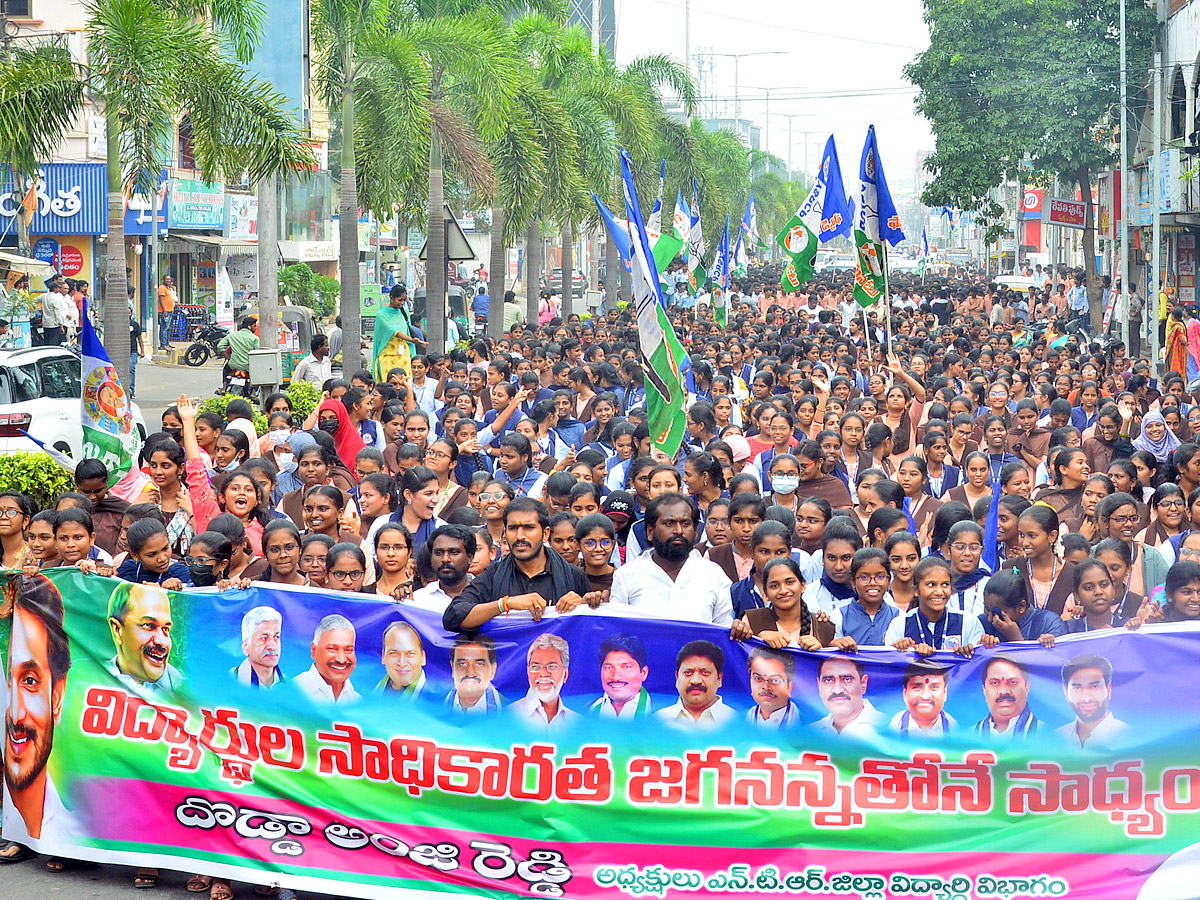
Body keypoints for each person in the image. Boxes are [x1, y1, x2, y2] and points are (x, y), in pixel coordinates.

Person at [442, 497, 598, 631]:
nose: (520, 536)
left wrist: (584, 605)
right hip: (507, 663)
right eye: (513, 528)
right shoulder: (493, 575)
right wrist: (505, 604)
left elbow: (587, 630)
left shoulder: (573, 576)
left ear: (545, 534)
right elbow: (453, 617)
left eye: (529, 528)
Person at [3, 574, 76, 848]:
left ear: (57, 696)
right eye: (11, 678)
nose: (16, 715)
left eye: (30, 681)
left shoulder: (83, 831)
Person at [609, 493, 733, 625]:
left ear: (696, 532)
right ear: (650, 532)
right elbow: (617, 633)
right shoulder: (627, 576)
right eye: (669, 523)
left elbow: (724, 632)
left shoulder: (713, 575)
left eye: (685, 523)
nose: (678, 531)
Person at [106, 582, 182, 696]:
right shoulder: (88, 675)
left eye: (166, 629)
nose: (162, 642)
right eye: (148, 625)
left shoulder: (179, 684)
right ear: (117, 629)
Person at [653, 640, 735, 731]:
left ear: (719, 678)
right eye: (688, 673)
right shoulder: (657, 721)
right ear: (677, 678)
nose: (695, 681)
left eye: (705, 673)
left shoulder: (737, 722)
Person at [1056, 653, 1128, 750]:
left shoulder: (1131, 736)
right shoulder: (1055, 738)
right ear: (1066, 693)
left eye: (1094, 687)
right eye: (1077, 688)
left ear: (1109, 690)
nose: (1087, 698)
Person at [510, 633, 575, 732]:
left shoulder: (579, 724)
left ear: (565, 674)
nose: (544, 673)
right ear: (528, 672)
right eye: (536, 667)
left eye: (552, 666)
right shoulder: (505, 716)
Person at [293, 614, 359, 705]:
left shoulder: (357, 701)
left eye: (348, 650)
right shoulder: (292, 692)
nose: (341, 659)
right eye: (332, 649)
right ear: (314, 650)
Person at [811, 655, 884, 737]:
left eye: (847, 679)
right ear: (819, 686)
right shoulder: (809, 733)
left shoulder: (890, 729)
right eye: (828, 680)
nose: (837, 690)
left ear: (863, 684)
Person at [411, 524, 475, 613]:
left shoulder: (487, 597)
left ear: (469, 558)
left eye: (453, 552)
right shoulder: (418, 600)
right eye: (439, 553)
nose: (445, 559)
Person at [975, 654, 1038, 739]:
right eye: (995, 683)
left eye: (1012, 682)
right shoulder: (968, 734)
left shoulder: (1048, 734)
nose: (1004, 691)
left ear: (1027, 687)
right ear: (984, 689)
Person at [589, 634, 652, 719]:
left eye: (626, 667)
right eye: (609, 667)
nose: (615, 677)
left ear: (643, 673)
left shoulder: (659, 714)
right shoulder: (590, 710)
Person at [372, 284, 426, 381]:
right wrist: (413, 340)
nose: (402, 303)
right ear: (391, 298)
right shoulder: (382, 315)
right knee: (390, 384)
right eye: (400, 300)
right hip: (388, 356)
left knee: (406, 382)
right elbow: (395, 331)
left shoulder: (404, 310)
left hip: (404, 355)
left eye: (404, 300)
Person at [890, 660, 956, 737]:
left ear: (945, 692)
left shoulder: (958, 730)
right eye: (917, 687)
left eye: (934, 687)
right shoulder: (887, 730)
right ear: (905, 693)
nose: (925, 696)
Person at [445, 634, 503, 715]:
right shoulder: (431, 708)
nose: (470, 673)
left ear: (493, 670)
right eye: (462, 664)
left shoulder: (511, 710)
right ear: (453, 668)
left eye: (479, 664)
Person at [745, 647, 800, 730]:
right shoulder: (737, 721)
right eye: (758, 678)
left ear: (789, 686)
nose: (766, 687)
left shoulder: (808, 725)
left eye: (775, 680)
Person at [233, 607, 284, 688]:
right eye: (264, 638)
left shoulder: (292, 685)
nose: (272, 646)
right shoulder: (226, 683)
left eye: (276, 637)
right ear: (246, 647)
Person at [377, 621, 427, 697]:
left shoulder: (439, 702)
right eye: (394, 653)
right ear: (383, 656)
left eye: (410, 654)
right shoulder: (367, 694)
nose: (402, 663)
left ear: (423, 658)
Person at [216, 316, 260, 381]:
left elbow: (220, 346)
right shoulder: (255, 339)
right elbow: (257, 353)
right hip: (248, 367)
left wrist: (228, 358)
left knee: (225, 370)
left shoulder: (232, 335)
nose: (256, 328)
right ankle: (254, 391)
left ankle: (224, 388)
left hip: (233, 365)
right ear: (249, 327)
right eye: (254, 326)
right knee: (257, 376)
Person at [156, 274, 177, 349]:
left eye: (169, 279)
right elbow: (161, 300)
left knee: (168, 328)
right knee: (164, 328)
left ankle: (167, 343)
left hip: (170, 310)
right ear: (163, 280)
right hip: (165, 311)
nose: (168, 281)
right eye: (167, 279)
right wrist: (164, 311)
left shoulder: (168, 288)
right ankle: (163, 344)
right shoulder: (162, 288)